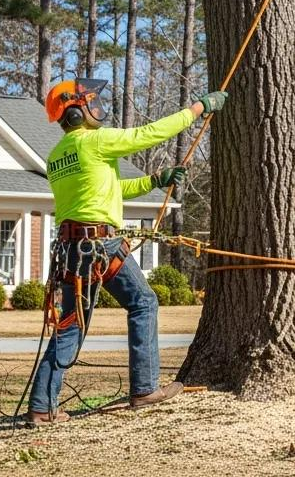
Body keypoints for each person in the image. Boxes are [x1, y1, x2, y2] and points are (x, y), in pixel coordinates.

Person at [27, 77, 228, 425]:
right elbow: (147, 135)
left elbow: (110, 188)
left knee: (71, 325)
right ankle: (145, 389)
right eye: (91, 103)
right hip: (99, 246)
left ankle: (42, 408)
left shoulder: (57, 156)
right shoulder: (96, 141)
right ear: (78, 111)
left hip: (73, 249)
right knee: (144, 302)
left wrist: (153, 181)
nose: (97, 109)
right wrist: (198, 108)